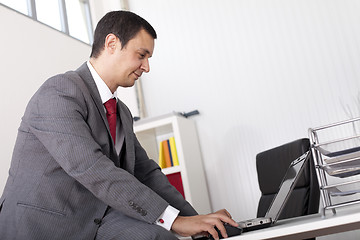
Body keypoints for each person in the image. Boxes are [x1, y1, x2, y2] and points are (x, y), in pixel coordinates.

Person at [0, 10, 238, 240]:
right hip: (43, 226)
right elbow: (92, 168)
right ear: (112, 43)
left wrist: (198, 222)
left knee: (156, 236)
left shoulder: (121, 112)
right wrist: (174, 221)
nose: (146, 67)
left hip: (95, 220)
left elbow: (147, 174)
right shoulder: (60, 91)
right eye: (141, 55)